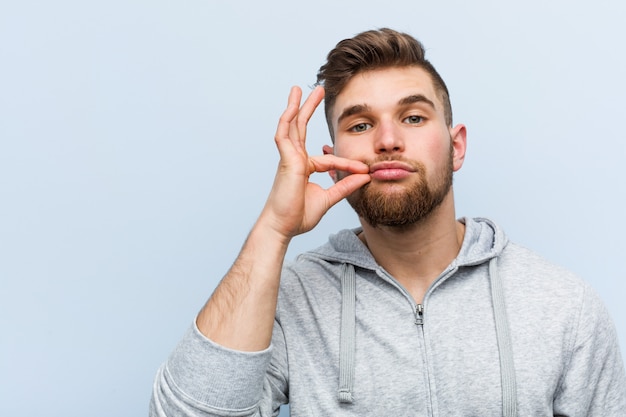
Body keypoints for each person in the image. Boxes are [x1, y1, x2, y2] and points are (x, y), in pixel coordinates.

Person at [150, 28, 626, 416]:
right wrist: (273, 231)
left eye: (414, 117)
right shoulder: (292, 301)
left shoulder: (562, 305)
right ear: (333, 163)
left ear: (456, 145)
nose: (388, 140)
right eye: (360, 125)